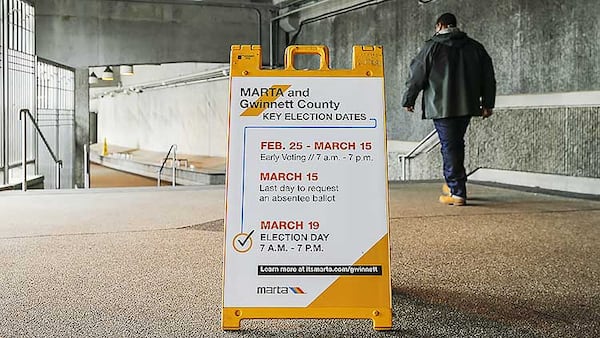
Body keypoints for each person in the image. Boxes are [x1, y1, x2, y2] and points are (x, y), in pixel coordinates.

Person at [402, 12, 496, 206]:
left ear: (439, 25)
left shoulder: (431, 47)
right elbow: (488, 77)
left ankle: (457, 191)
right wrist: (487, 103)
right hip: (467, 105)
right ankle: (454, 183)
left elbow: (416, 76)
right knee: (455, 144)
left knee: (450, 146)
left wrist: (409, 99)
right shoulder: (475, 47)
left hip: (441, 106)